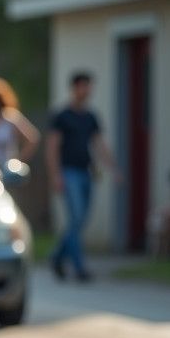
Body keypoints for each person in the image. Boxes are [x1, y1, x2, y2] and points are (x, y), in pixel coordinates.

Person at [47, 71, 120, 282]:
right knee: (76, 217)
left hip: (86, 173)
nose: (87, 91)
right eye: (83, 86)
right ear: (75, 88)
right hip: (68, 173)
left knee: (79, 221)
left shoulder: (90, 117)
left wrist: (112, 168)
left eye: (89, 87)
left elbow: (98, 145)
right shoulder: (62, 116)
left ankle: (57, 256)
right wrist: (55, 176)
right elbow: (52, 148)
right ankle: (80, 268)